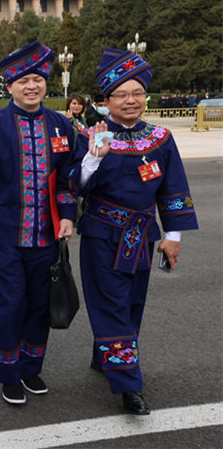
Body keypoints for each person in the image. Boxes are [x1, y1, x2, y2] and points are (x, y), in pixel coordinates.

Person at [70, 49, 198, 416]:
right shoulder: (90, 135)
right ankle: (129, 386)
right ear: (106, 100)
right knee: (111, 304)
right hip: (101, 235)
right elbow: (75, 187)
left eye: (137, 93)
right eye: (122, 94)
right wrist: (93, 158)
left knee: (131, 304)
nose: (131, 101)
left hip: (143, 236)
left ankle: (104, 355)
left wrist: (173, 237)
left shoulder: (160, 137)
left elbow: (173, 189)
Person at [0, 41, 79, 405]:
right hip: (5, 235)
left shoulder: (60, 126)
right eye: (23, 80)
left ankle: (30, 367)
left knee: (40, 304)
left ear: (46, 83)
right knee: (8, 305)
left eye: (38, 79)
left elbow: (69, 177)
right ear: (9, 86)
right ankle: (8, 372)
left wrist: (69, 217)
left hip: (46, 236)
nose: (32, 86)